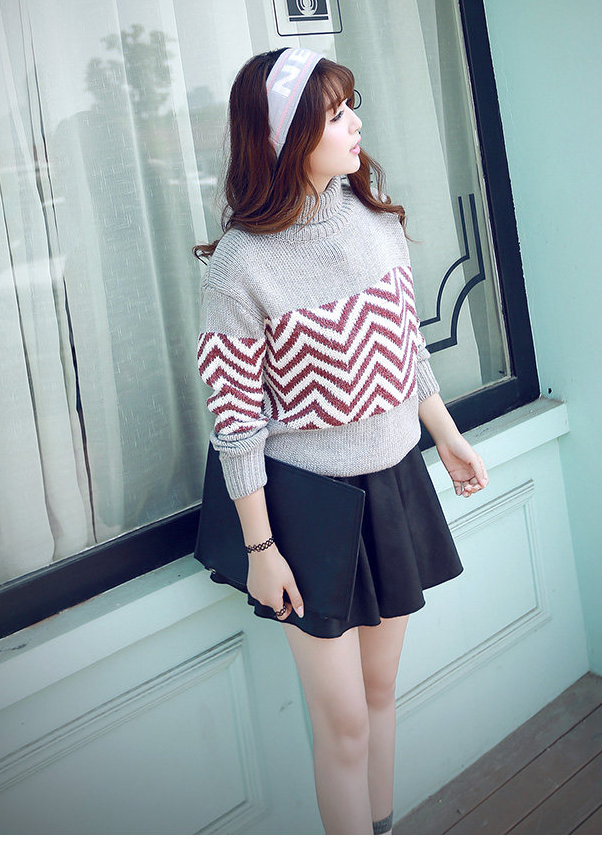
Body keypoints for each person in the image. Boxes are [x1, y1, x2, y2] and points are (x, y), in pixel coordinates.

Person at [194, 47, 488, 835]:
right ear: (284, 137)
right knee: (344, 723)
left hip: (393, 480)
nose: (356, 123)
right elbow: (237, 422)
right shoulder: (240, 267)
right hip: (307, 511)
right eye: (335, 113)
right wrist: (261, 550)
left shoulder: (373, 220)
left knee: (382, 695)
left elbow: (407, 350)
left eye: (353, 105)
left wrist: (446, 436)